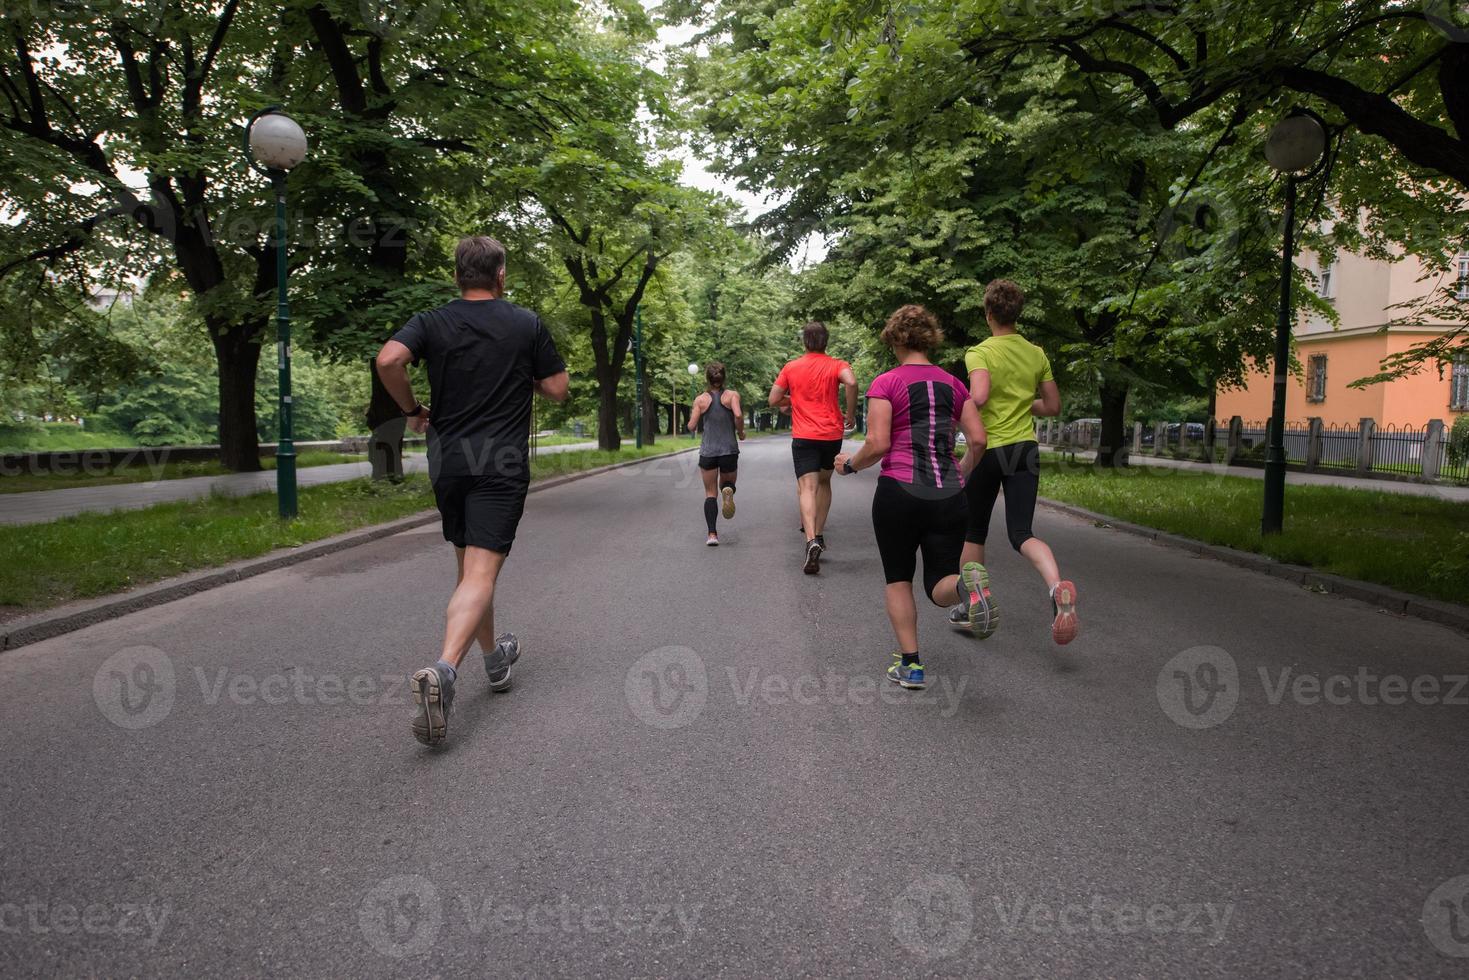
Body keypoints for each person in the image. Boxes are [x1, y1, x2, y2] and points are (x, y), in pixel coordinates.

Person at [375, 235, 570, 746]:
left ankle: (495, 662)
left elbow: (389, 360)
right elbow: (557, 388)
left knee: (468, 571)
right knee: (480, 572)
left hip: (449, 461)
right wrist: (520, 370)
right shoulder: (524, 323)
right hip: (500, 462)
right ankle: (443, 670)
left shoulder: (432, 322)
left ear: (458, 275)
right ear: (500, 276)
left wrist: (413, 411)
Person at [834, 305, 993, 691]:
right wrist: (961, 474)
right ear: (930, 338)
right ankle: (965, 588)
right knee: (941, 581)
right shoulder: (955, 385)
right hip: (949, 496)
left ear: (894, 340)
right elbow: (978, 440)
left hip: (899, 494)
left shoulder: (887, 383)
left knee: (898, 578)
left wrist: (849, 466)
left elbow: (877, 443)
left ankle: (912, 666)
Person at [959, 279, 1077, 645]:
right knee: (1022, 533)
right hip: (1024, 449)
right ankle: (1057, 587)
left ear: (988, 313)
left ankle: (973, 603)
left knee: (973, 529)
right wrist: (1021, 402)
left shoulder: (979, 352)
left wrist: (957, 411)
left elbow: (978, 396)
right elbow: (1053, 406)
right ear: (1017, 313)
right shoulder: (1036, 353)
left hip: (989, 449)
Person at [769, 321, 858, 574]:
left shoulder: (791, 367)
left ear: (805, 342)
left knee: (807, 488)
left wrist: (794, 398)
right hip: (831, 433)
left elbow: (773, 399)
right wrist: (850, 414)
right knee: (825, 483)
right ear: (826, 341)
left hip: (805, 435)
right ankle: (819, 535)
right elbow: (851, 383)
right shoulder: (837, 365)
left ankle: (809, 540)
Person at [687, 361, 746, 546]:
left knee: (709, 493)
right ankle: (728, 491)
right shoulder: (732, 396)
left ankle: (712, 534)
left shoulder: (701, 399)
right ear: (723, 377)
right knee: (727, 484)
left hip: (708, 452)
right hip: (728, 449)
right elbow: (737, 415)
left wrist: (694, 421)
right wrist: (741, 432)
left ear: (708, 378)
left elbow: (691, 425)